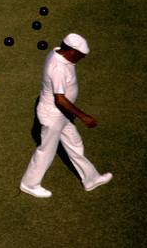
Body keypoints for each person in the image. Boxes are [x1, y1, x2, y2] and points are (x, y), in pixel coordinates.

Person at [19, 33, 113, 198]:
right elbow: (60, 99)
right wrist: (83, 116)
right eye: (80, 55)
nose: (82, 59)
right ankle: (29, 184)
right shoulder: (59, 68)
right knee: (46, 151)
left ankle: (91, 179)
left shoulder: (58, 53)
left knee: (74, 143)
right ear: (71, 51)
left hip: (62, 114)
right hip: (53, 115)